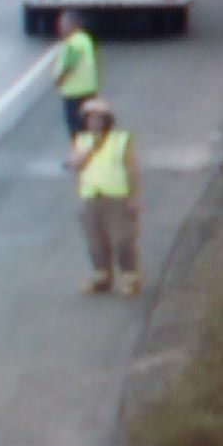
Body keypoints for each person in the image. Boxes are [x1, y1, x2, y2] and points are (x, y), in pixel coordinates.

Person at [67, 98, 141, 297]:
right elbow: (73, 163)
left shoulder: (120, 140)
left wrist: (133, 196)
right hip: (91, 196)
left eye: (99, 119)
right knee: (95, 240)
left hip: (116, 196)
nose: (94, 123)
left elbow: (131, 167)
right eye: (90, 119)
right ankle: (102, 276)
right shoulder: (82, 141)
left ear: (107, 120)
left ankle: (129, 277)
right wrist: (85, 152)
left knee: (122, 239)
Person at [52, 12, 98, 141]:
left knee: (76, 129)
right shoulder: (85, 40)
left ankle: (79, 156)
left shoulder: (73, 43)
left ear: (73, 25)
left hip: (74, 93)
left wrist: (59, 79)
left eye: (63, 25)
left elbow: (69, 63)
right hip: (89, 90)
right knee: (89, 126)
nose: (60, 29)